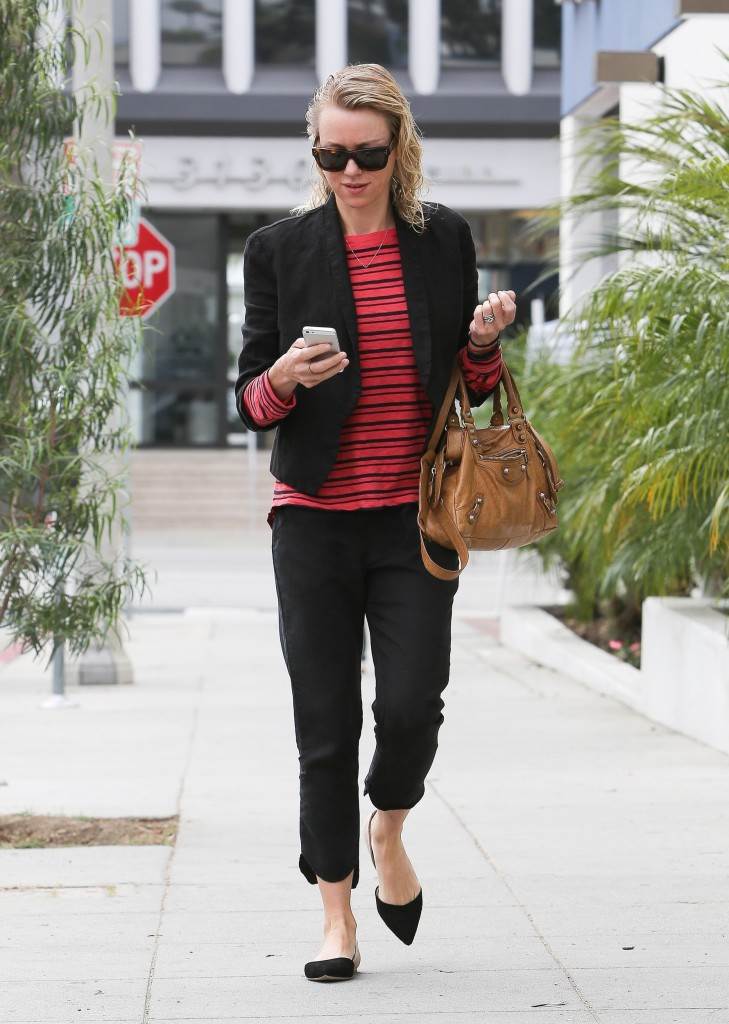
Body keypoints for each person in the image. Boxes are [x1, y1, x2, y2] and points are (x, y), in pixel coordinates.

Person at [234, 63, 516, 982]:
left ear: (400, 150)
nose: (349, 172)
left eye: (367, 155)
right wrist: (283, 379)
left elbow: (470, 389)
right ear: (313, 153)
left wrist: (482, 342)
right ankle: (336, 916)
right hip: (312, 520)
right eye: (331, 155)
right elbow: (250, 401)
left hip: (413, 519)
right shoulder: (278, 250)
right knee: (323, 726)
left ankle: (387, 826)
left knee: (410, 706)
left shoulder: (442, 240)